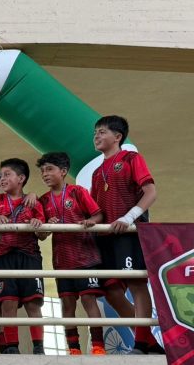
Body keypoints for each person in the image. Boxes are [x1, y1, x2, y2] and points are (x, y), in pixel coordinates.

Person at [90, 115, 163, 355]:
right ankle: (149, 342)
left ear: (118, 136)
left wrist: (128, 218)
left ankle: (141, 343)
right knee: (110, 289)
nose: (96, 136)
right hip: (105, 236)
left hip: (129, 232)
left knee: (136, 283)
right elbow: (96, 209)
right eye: (95, 133)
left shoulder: (132, 158)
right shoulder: (97, 171)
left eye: (102, 132)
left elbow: (150, 192)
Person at [37, 152, 106, 355]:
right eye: (42, 171)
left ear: (63, 171)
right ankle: (73, 349)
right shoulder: (43, 200)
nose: (45, 174)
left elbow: (98, 214)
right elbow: (41, 235)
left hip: (86, 258)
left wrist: (91, 221)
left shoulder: (78, 191)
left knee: (88, 301)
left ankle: (98, 346)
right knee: (67, 304)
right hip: (62, 261)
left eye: (49, 169)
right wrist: (47, 225)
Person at [0, 158, 47, 355]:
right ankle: (11, 349)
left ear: (21, 178)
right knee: (7, 303)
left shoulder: (33, 201)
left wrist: (37, 222)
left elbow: (43, 234)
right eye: (1, 175)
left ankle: (39, 348)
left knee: (33, 303)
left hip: (29, 257)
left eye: (7, 174)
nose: (2, 179)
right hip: (3, 257)